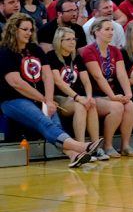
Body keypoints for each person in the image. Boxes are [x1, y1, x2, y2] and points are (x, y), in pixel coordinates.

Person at [0, 14, 103, 167]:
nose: (29, 32)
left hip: (41, 98)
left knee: (55, 126)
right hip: (13, 100)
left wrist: (48, 100)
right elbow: (16, 83)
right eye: (25, 29)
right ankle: (81, 147)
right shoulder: (4, 52)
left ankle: (73, 155)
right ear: (13, 30)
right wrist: (43, 99)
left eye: (31, 29)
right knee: (44, 122)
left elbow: (48, 75)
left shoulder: (35, 49)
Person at [80, 17, 133, 158]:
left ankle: (125, 145)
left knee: (129, 105)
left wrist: (128, 93)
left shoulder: (115, 50)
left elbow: (122, 74)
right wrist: (112, 96)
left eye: (112, 29)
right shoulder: (89, 51)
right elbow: (98, 77)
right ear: (96, 32)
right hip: (94, 95)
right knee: (117, 107)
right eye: (107, 29)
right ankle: (108, 145)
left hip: (109, 94)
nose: (111, 32)